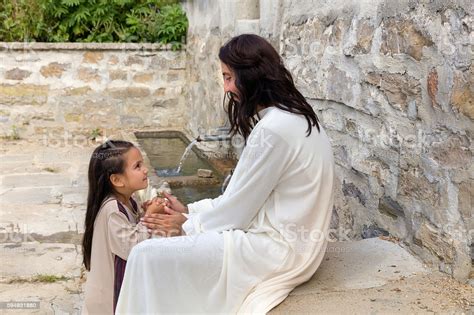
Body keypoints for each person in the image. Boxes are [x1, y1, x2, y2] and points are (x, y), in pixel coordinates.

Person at [116, 34, 335, 314]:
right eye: (224, 78)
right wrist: (190, 211)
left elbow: (236, 214)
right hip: (291, 246)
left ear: (252, 75)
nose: (227, 87)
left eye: (230, 77)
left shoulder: (274, 130)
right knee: (158, 245)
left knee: (144, 254)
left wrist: (185, 224)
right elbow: (240, 199)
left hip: (276, 251)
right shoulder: (294, 117)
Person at [81, 140, 168, 314]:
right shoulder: (113, 210)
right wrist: (150, 215)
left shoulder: (129, 201)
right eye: (137, 166)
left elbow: (130, 231)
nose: (145, 170)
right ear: (117, 180)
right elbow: (132, 248)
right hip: (107, 299)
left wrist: (144, 214)